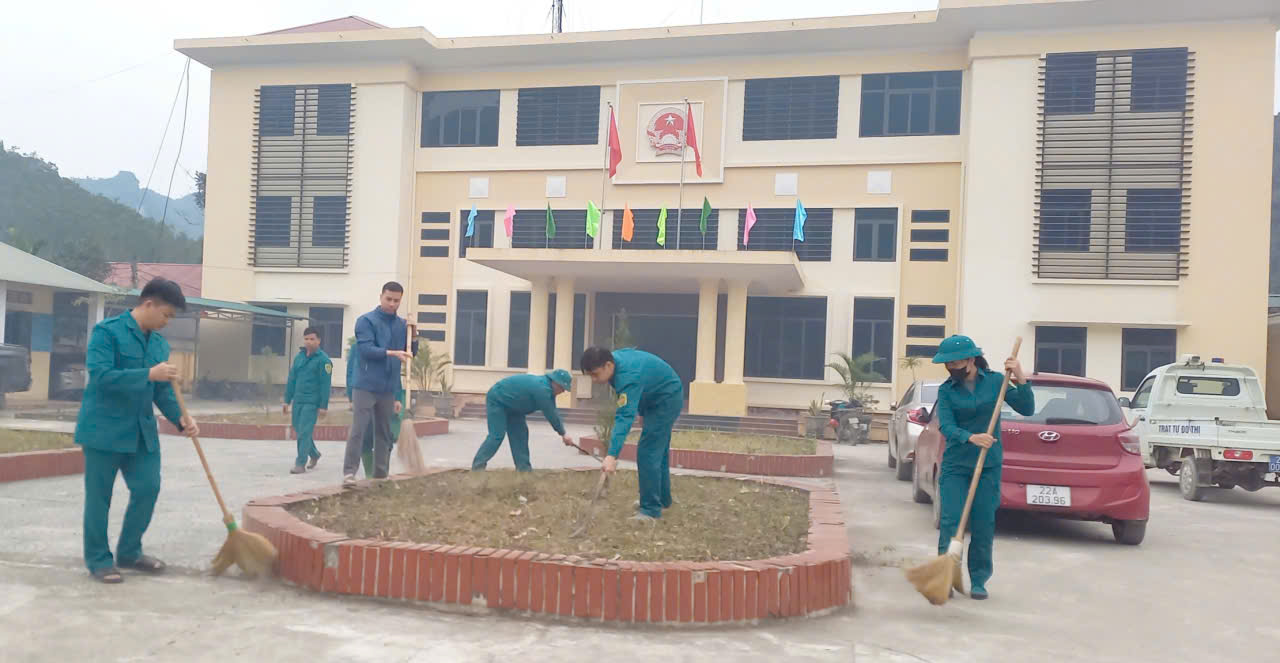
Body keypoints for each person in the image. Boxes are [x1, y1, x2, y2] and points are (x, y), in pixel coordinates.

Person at [75, 277, 198, 584]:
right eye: (166, 315)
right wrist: (148, 373)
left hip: (141, 432)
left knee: (148, 488)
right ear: (149, 304)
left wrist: (181, 418)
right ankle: (99, 560)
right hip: (104, 429)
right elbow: (101, 376)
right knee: (99, 498)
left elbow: (163, 392)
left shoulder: (159, 344)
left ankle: (129, 552)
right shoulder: (107, 332)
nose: (167, 322)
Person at [931, 334, 1034, 601]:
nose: (951, 368)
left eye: (955, 363)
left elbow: (1027, 408)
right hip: (956, 465)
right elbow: (946, 426)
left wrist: (1019, 377)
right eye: (947, 364)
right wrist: (971, 437)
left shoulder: (997, 382)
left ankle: (978, 580)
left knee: (983, 522)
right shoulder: (946, 390)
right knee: (951, 521)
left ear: (971, 360)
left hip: (988, 465)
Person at [580, 347, 683, 521]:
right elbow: (639, 387)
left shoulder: (627, 376)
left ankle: (650, 509)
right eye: (590, 376)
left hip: (666, 399)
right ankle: (662, 500)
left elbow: (624, 417)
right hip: (655, 397)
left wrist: (612, 455)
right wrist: (642, 412)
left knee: (648, 452)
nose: (594, 380)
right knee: (659, 452)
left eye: (595, 375)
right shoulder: (615, 364)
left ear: (608, 365)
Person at [343, 282, 417, 487]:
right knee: (358, 430)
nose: (392, 304)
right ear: (381, 297)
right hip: (365, 385)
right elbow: (366, 350)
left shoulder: (401, 325)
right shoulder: (366, 321)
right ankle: (349, 473)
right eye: (388, 299)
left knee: (384, 432)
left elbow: (410, 353)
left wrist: (414, 333)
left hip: (388, 387)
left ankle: (381, 475)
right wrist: (391, 353)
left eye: (396, 300)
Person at [472, 369, 576, 472]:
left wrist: (563, 433)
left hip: (514, 406)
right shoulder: (542, 389)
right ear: (555, 383)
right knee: (496, 435)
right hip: (498, 400)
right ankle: (477, 468)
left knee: (520, 435)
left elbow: (553, 410)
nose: (563, 391)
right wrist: (563, 434)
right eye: (563, 388)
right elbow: (550, 413)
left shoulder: (548, 390)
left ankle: (524, 470)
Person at [346, 335, 406, 479]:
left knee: (387, 434)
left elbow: (394, 372)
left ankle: (382, 472)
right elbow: (351, 373)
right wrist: (351, 396)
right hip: (365, 394)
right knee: (365, 434)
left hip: (386, 395)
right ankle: (369, 473)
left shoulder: (389, 347)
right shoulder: (358, 347)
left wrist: (397, 397)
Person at [283, 327, 332, 474]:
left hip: (312, 402)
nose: (309, 342)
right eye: (306, 339)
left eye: (312, 339)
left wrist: (323, 406)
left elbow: (325, 385)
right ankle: (314, 454)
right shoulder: (299, 357)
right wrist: (287, 400)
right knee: (298, 429)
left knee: (304, 432)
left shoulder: (324, 360)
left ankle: (300, 463)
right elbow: (292, 379)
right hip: (298, 400)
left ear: (319, 340)